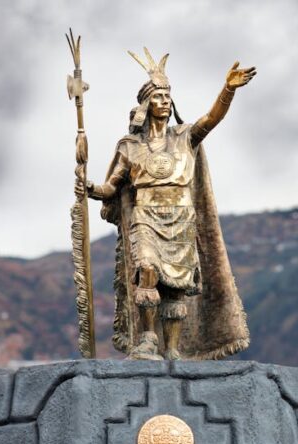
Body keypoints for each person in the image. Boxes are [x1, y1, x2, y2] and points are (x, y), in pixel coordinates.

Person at [83, 48, 254, 361]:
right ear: (146, 105)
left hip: (180, 216)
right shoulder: (130, 146)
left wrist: (228, 89)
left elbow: (211, 119)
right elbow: (112, 187)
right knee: (147, 270)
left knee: (176, 287)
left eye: (167, 97)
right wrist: (90, 187)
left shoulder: (185, 137)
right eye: (158, 97)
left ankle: (173, 348)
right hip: (144, 216)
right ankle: (147, 340)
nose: (163, 102)